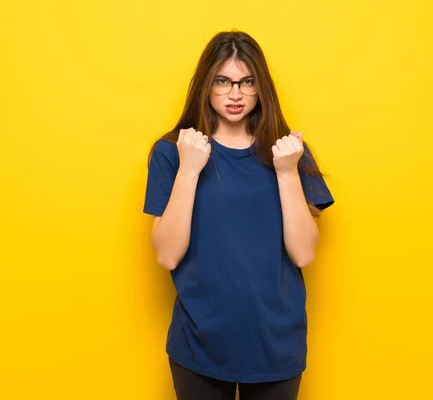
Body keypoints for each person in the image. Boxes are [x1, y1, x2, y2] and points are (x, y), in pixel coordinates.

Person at [143, 30, 335, 400]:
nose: (235, 94)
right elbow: (166, 255)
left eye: (247, 82)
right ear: (205, 84)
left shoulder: (289, 152)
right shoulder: (174, 152)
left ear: (262, 87)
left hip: (276, 344)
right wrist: (189, 170)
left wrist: (286, 171)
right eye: (223, 81)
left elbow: (304, 253)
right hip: (199, 344)